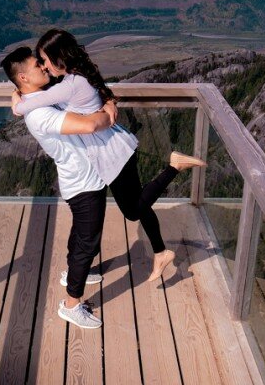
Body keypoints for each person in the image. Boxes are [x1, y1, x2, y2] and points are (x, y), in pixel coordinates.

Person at [12, 28, 206, 283]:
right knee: (139, 203)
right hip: (116, 146)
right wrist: (109, 103)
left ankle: (174, 166)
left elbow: (26, 106)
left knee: (134, 210)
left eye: (45, 60)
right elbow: (98, 96)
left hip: (112, 154)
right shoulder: (76, 77)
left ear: (59, 57)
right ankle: (160, 252)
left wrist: (15, 97)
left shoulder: (70, 84)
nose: (45, 67)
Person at [1, 46, 114, 329]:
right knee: (87, 241)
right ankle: (72, 304)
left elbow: (25, 99)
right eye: (37, 65)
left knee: (82, 235)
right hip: (82, 181)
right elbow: (89, 126)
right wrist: (110, 111)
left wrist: (17, 100)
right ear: (24, 77)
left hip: (85, 176)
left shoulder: (39, 98)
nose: (43, 66)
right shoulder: (39, 114)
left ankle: (75, 272)